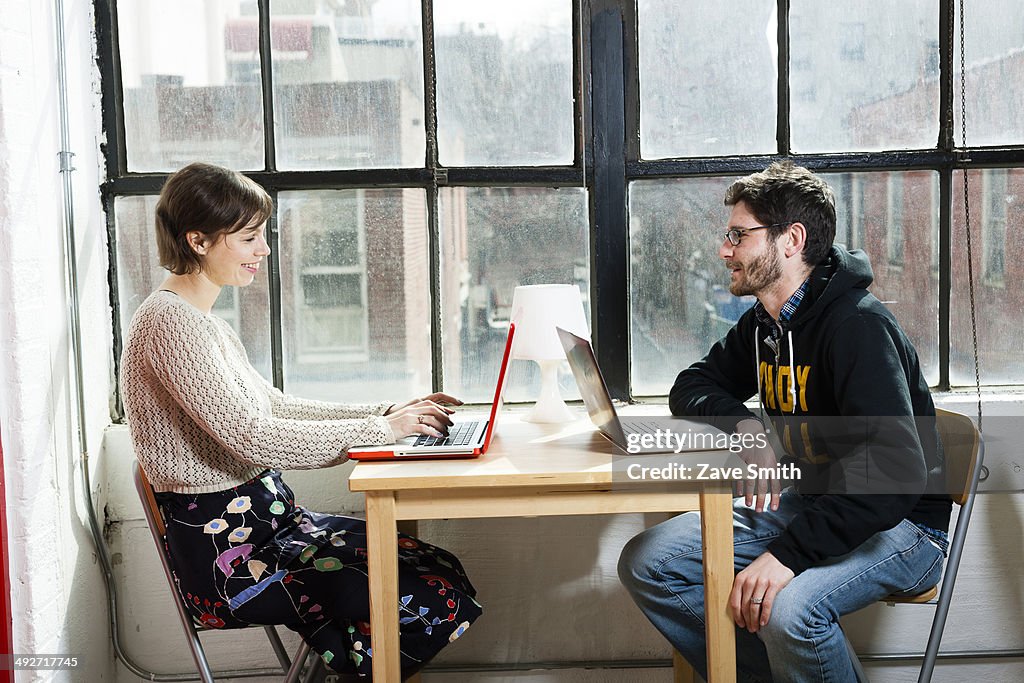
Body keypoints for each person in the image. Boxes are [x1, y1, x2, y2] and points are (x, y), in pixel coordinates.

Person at [121, 162, 481, 680]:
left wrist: (387, 412)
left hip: (273, 527)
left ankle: (345, 665)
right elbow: (255, 436)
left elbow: (273, 406)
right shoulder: (169, 322)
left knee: (439, 569)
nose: (263, 250)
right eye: (248, 238)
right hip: (237, 558)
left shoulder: (201, 323)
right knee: (430, 593)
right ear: (198, 240)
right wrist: (385, 432)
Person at [618, 162, 952, 682]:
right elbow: (691, 386)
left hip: (904, 524)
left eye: (738, 235)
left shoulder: (857, 326)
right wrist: (749, 429)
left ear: (791, 239)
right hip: (812, 502)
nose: (723, 250)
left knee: (791, 610)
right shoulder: (767, 324)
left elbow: (893, 475)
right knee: (649, 562)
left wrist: (787, 555)